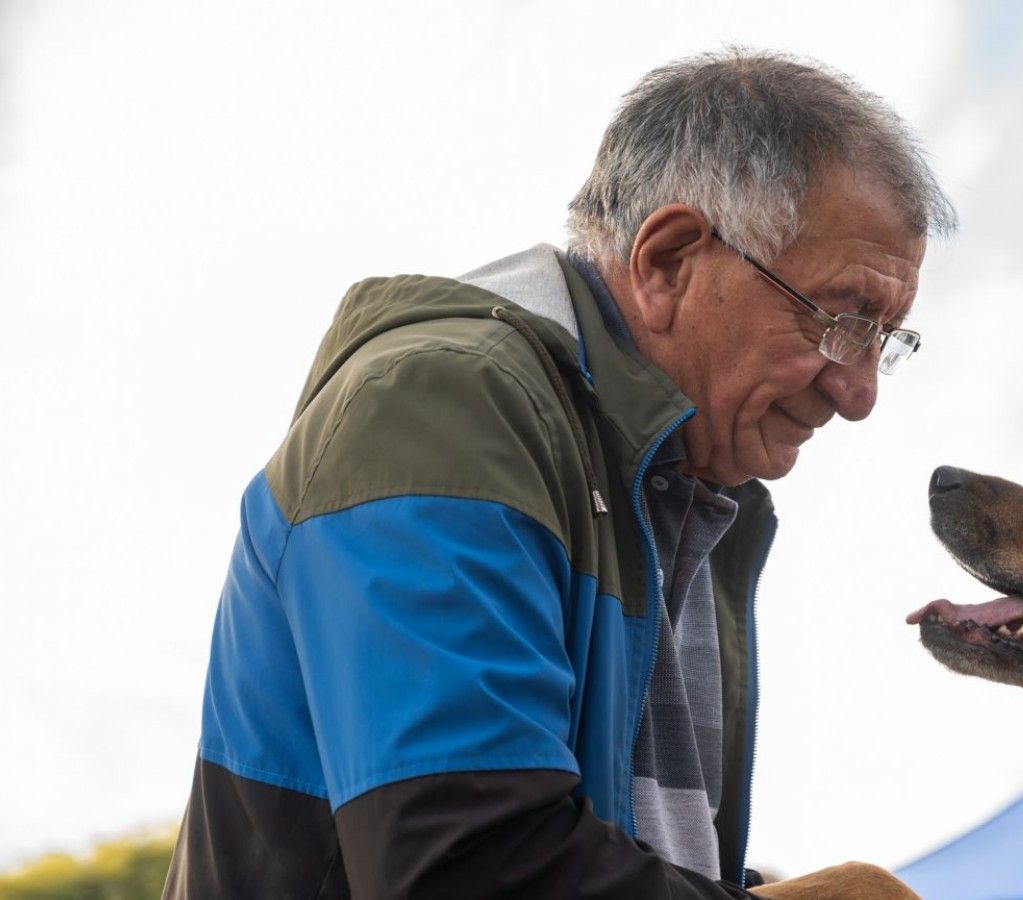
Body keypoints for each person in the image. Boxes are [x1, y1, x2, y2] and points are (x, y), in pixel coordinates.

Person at [163, 46, 956, 899]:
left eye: (884, 340)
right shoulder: (441, 405)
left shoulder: (675, 494)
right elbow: (467, 868)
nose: (859, 390)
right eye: (840, 319)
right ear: (668, 261)